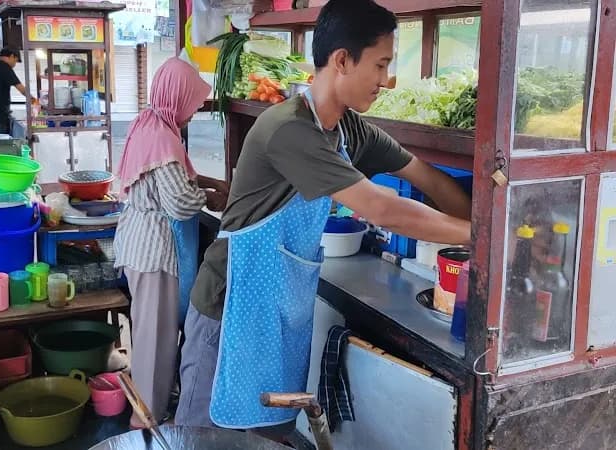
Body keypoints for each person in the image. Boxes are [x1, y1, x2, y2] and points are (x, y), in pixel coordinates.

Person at [176, 0, 472, 440]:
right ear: (342, 61)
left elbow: (423, 176)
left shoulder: (350, 130)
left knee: (267, 436)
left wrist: (482, 220)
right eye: (380, 64)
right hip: (229, 312)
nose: (386, 80)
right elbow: (382, 209)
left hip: (280, 317)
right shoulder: (289, 128)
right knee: (207, 441)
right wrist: (482, 236)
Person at [113, 57, 229, 429]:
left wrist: (209, 182)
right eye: (191, 106)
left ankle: (148, 408)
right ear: (176, 98)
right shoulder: (163, 137)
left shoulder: (149, 123)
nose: (192, 114)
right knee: (155, 343)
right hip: (153, 252)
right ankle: (145, 421)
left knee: (148, 334)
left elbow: (175, 177)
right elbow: (179, 202)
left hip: (137, 245)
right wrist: (210, 199)